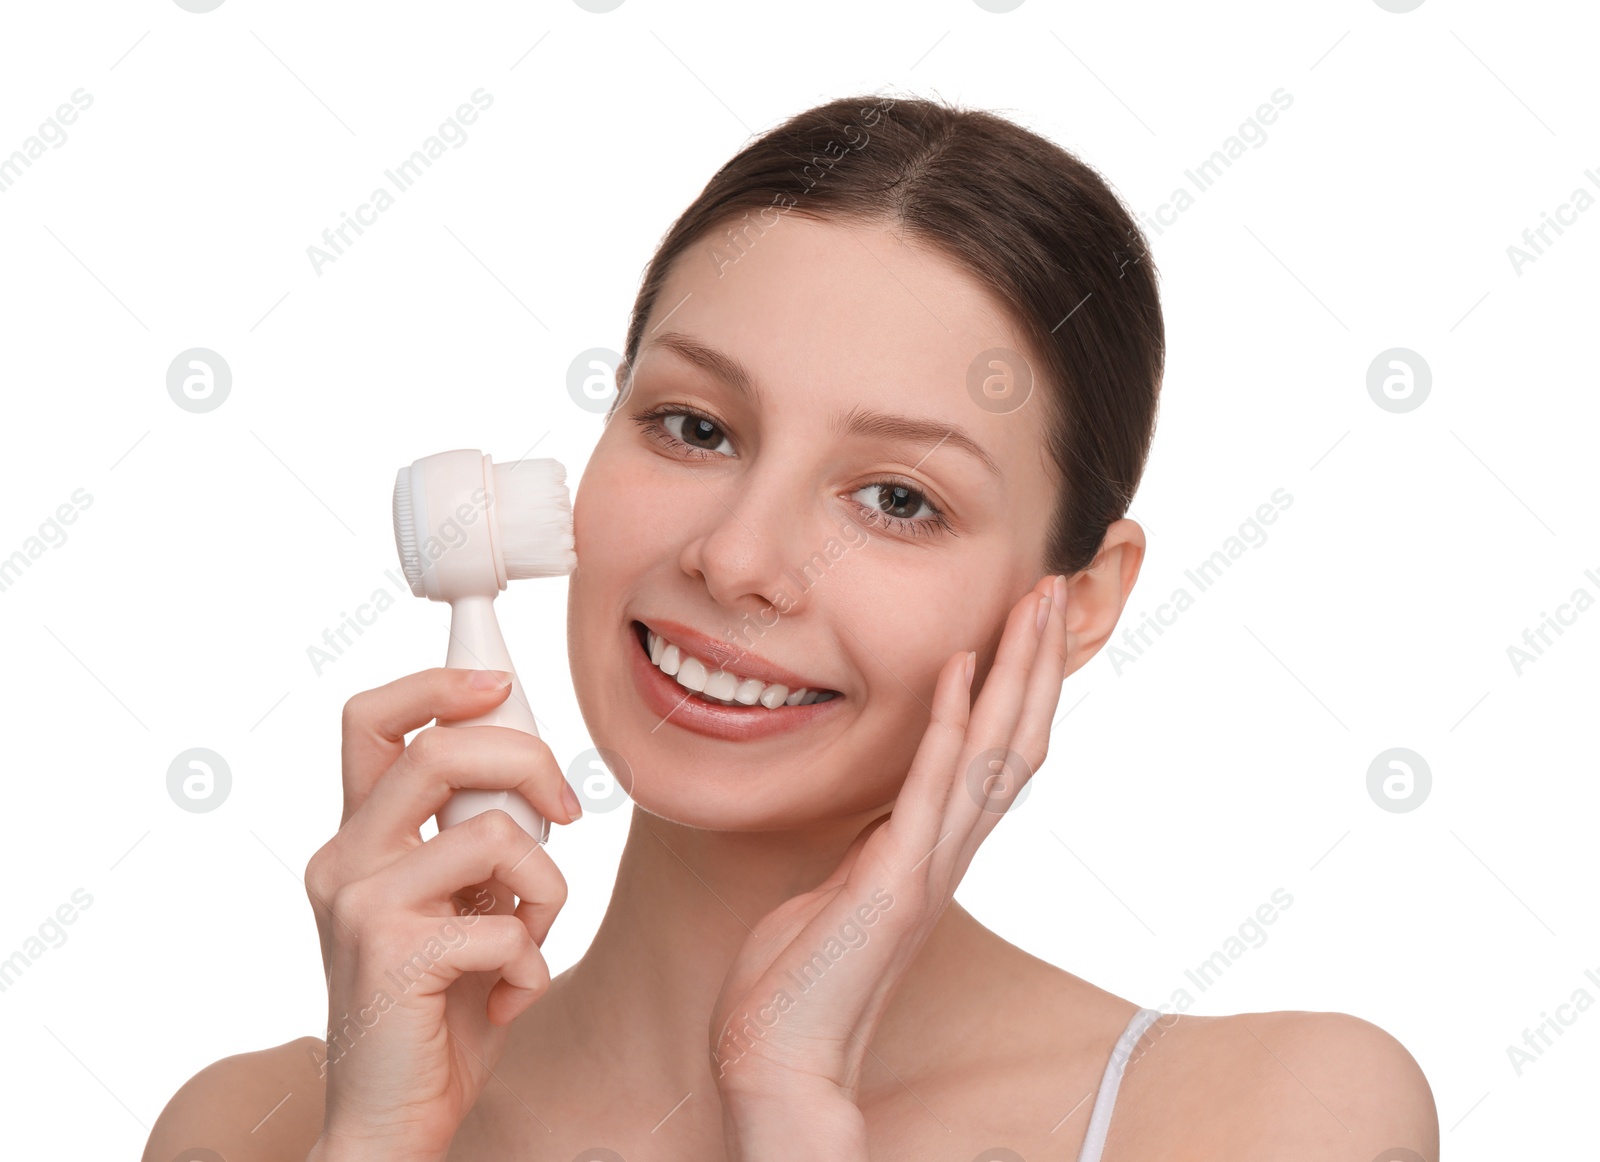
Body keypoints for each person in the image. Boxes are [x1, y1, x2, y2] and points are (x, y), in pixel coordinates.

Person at [144, 92, 1439, 1161]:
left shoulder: (1263, 1115)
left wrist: (795, 1102)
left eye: (897, 497)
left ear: (1082, 598)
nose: (738, 558)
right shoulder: (248, 1130)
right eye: (695, 426)